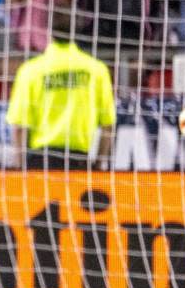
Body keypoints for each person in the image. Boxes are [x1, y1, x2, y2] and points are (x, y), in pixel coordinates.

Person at [6, 11, 116, 171]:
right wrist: (98, 164)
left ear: (49, 32)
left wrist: (20, 165)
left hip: (40, 162)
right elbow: (108, 126)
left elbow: (19, 126)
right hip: (79, 162)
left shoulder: (31, 70)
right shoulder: (97, 70)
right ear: (76, 32)